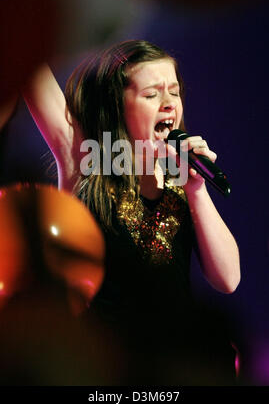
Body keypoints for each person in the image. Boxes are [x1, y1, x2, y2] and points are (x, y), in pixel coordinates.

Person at [24, 40, 240, 384]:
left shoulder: (181, 180)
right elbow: (27, 63)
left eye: (174, 91)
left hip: (177, 367)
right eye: (152, 94)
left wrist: (196, 188)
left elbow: (227, 279)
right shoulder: (86, 163)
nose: (169, 103)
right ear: (118, 105)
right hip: (109, 368)